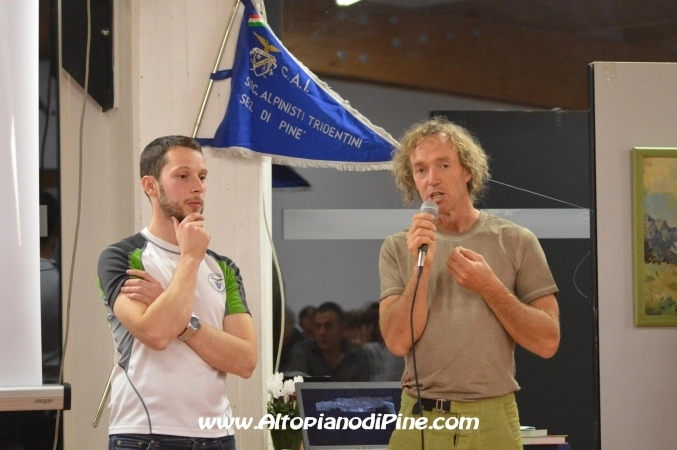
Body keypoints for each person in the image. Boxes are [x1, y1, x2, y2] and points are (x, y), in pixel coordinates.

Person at [379, 117, 560, 449]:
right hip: (420, 418)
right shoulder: (398, 247)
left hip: (492, 418)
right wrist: (421, 270)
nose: (432, 179)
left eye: (443, 165)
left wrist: (490, 286)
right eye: (420, 170)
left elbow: (548, 341)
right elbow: (397, 342)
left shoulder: (516, 240)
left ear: (467, 171)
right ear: (412, 180)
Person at [97, 136, 257, 450]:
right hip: (144, 434)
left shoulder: (223, 267)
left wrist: (181, 321)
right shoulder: (121, 256)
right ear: (150, 185)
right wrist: (190, 258)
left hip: (218, 436)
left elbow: (245, 361)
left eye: (202, 177)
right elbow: (156, 334)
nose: (198, 187)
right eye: (183, 176)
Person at [287, 302, 370, 382]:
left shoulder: (357, 355)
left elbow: (363, 389)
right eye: (317, 326)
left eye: (328, 326)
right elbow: (297, 386)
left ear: (341, 328)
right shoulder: (303, 351)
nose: (322, 332)